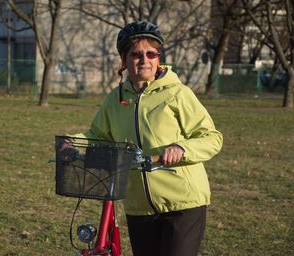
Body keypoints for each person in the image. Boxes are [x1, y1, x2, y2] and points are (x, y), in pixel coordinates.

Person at [74, 21, 223, 256]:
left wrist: (181, 148)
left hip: (183, 203)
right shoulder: (115, 99)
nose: (144, 59)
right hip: (139, 206)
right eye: (136, 54)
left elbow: (211, 137)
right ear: (124, 60)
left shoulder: (177, 93)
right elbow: (97, 136)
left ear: (158, 58)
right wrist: (70, 143)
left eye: (151, 53)